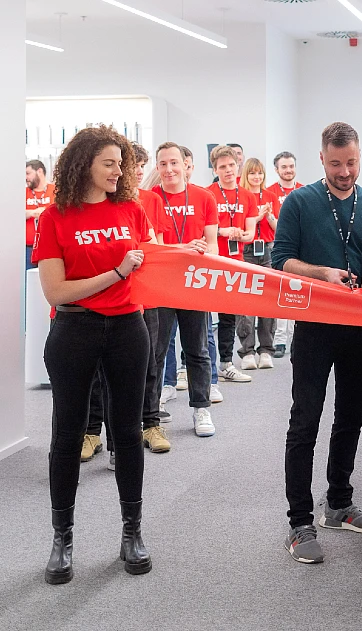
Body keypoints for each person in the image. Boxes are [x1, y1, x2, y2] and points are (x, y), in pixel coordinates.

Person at [34, 126, 155, 584]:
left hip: (128, 327)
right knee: (68, 433)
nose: (119, 171)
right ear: (85, 164)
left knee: (127, 432)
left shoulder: (130, 208)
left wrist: (187, 254)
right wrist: (116, 272)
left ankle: (132, 533)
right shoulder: (55, 217)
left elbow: (151, 257)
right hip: (73, 328)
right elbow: (55, 289)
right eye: (110, 162)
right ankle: (61, 538)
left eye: (121, 163)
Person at [273, 122, 362, 564]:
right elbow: (282, 259)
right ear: (321, 159)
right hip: (315, 325)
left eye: (352, 163)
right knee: (305, 421)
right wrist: (323, 273)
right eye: (336, 163)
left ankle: (338, 503)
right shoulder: (299, 202)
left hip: (360, 326)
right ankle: (299, 522)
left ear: (361, 157)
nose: (345, 171)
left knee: (351, 418)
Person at [84, 144, 172, 464]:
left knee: (147, 364)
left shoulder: (147, 202)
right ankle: (92, 431)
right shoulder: (95, 205)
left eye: (135, 165)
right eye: (123, 164)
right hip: (103, 299)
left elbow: (156, 250)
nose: (131, 171)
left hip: (142, 297)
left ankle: (151, 424)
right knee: (98, 372)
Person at [150, 142, 220, 437]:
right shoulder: (150, 199)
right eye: (163, 164)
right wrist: (183, 248)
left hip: (195, 284)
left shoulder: (204, 198)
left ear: (185, 165)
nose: (169, 169)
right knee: (156, 350)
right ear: (158, 167)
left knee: (198, 350)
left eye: (174, 163)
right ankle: (150, 412)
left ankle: (200, 408)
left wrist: (212, 281)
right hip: (162, 285)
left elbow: (213, 245)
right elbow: (151, 246)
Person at [207, 145, 258, 383]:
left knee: (228, 316)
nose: (227, 170)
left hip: (236, 261)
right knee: (201, 316)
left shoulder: (247, 196)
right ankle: (191, 365)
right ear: (215, 169)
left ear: (238, 165)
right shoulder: (207, 194)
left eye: (231, 166)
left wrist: (241, 235)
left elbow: (250, 233)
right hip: (210, 260)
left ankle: (226, 362)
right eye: (222, 167)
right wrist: (224, 230)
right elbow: (200, 227)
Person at [236, 157, 277, 370]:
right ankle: (247, 351)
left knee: (268, 301)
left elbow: (278, 227)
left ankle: (266, 349)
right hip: (246, 250)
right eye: (252, 173)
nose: (256, 177)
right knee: (246, 303)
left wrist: (267, 216)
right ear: (246, 175)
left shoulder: (270, 195)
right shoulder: (240, 196)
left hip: (267, 250)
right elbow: (240, 226)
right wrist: (257, 217)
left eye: (260, 173)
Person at [265, 151, 303, 358]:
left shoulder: (305, 191)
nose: (288, 170)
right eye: (284, 167)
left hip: (302, 250)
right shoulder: (269, 193)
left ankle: (295, 337)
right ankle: (279, 340)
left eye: (291, 166)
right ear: (277, 170)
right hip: (278, 248)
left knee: (300, 294)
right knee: (281, 293)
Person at [26, 159, 55, 269]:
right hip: (28, 248)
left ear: (39, 171)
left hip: (49, 247)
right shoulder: (23, 192)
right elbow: (13, 214)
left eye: (28, 173)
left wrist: (46, 212)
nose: (26, 178)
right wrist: (32, 213)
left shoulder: (56, 190)